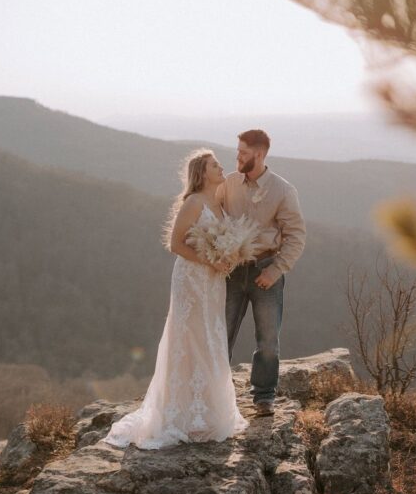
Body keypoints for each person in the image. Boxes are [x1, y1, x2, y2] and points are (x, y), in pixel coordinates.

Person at [104, 149, 249, 449]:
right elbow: (175, 244)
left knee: (211, 336)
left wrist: (228, 256)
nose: (221, 168)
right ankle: (181, 414)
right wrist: (210, 260)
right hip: (191, 280)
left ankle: (208, 411)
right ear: (201, 172)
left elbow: (222, 239)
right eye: (214, 165)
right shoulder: (194, 202)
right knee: (190, 338)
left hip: (213, 282)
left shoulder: (218, 203)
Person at [218, 129, 306, 416]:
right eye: (238, 151)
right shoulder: (229, 183)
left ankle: (264, 397)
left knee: (268, 340)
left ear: (258, 154)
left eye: (243, 152)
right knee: (220, 334)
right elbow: (209, 214)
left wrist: (276, 270)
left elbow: (296, 236)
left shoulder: (283, 190)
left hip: (266, 271)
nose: (237, 157)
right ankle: (217, 394)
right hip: (230, 271)